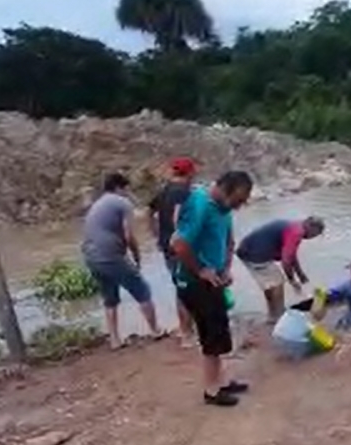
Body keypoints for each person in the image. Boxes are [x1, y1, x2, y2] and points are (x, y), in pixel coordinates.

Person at [170, 170, 254, 407]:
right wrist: (200, 270)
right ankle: (211, 391)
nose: (239, 206)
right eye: (238, 200)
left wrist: (226, 268)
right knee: (210, 338)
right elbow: (178, 244)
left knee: (219, 333)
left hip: (214, 280)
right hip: (195, 282)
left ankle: (222, 381)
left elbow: (229, 242)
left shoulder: (224, 210)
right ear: (224, 189)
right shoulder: (199, 205)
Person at [81, 172, 165, 350]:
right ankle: (155, 330)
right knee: (142, 290)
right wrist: (136, 255)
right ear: (119, 188)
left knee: (110, 298)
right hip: (110, 255)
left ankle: (114, 339)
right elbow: (128, 234)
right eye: (126, 188)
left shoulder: (98, 203)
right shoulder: (122, 202)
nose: (128, 192)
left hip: (91, 256)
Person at [236, 216, 326, 322]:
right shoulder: (297, 232)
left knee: (270, 283)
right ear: (312, 228)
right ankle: (279, 316)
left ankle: (272, 314)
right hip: (255, 255)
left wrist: (300, 274)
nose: (313, 237)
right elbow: (286, 261)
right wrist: (292, 280)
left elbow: (292, 254)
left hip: (246, 250)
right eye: (316, 234)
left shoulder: (295, 226)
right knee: (278, 283)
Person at [147, 157, 196, 344]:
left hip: (167, 246)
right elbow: (179, 218)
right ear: (190, 172)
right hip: (180, 247)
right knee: (185, 288)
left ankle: (187, 329)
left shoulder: (165, 190)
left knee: (181, 286)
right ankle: (187, 333)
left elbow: (149, 211)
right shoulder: (183, 192)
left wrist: (156, 235)